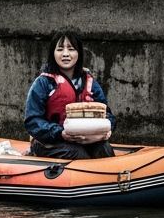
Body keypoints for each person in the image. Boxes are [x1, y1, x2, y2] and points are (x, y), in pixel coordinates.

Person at [24, 31, 115, 159]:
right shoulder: (43, 83)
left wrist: (106, 130)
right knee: (78, 153)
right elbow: (32, 121)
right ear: (53, 53)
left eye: (71, 49)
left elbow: (108, 114)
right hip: (50, 141)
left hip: (88, 139)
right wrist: (61, 133)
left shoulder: (90, 83)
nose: (65, 54)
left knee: (104, 149)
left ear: (78, 53)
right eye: (60, 49)